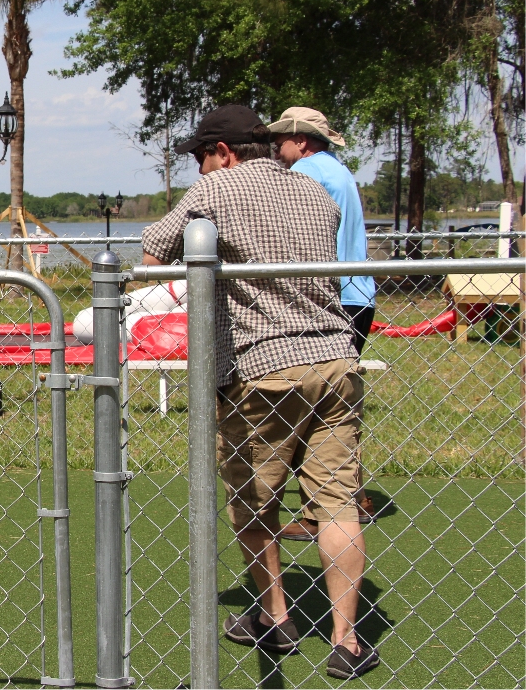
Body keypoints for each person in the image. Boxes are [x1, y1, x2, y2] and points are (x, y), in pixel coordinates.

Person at [139, 104, 378, 680]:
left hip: (262, 367)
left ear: (222, 152)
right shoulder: (315, 194)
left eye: (201, 158)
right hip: (335, 358)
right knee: (338, 502)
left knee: (253, 499)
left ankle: (276, 616)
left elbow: (153, 255)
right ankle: (347, 641)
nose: (199, 170)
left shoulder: (215, 192)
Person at [268, 107, 377, 541]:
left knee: (308, 403)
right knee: (329, 403)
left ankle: (331, 504)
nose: (277, 147)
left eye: (282, 139)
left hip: (330, 298)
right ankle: (344, 498)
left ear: (303, 140)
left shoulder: (308, 172)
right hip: (357, 295)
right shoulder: (338, 170)